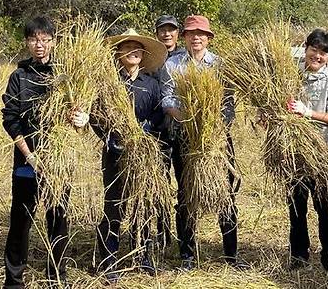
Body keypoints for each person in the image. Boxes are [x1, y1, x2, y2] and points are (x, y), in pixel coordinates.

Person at [1, 16, 88, 289]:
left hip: (59, 161)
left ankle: (56, 277)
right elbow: (10, 119)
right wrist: (30, 155)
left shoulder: (67, 74)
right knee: (21, 219)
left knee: (58, 219)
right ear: (26, 43)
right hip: (27, 160)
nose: (39, 45)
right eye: (33, 39)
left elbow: (78, 113)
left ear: (53, 41)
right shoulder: (19, 76)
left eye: (44, 39)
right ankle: (14, 281)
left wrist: (82, 120)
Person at [159, 15, 248, 271]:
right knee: (186, 195)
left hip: (217, 139)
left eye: (201, 33)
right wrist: (189, 120)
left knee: (225, 195)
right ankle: (187, 255)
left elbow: (228, 104)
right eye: (191, 33)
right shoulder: (172, 65)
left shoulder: (220, 65)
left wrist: (213, 126)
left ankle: (231, 255)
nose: (196, 37)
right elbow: (168, 100)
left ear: (208, 38)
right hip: (185, 137)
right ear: (184, 37)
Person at [91, 29, 167, 283]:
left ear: (143, 54)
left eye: (137, 48)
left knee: (144, 203)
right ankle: (108, 259)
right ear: (119, 53)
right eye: (128, 47)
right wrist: (109, 136)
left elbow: (160, 114)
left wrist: (149, 129)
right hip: (115, 153)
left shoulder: (151, 84)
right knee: (114, 204)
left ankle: (144, 257)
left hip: (145, 153)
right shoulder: (109, 84)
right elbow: (96, 115)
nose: (133, 52)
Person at [285, 29, 328, 271]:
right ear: (305, 47)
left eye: (323, 53)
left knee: (325, 208)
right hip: (294, 153)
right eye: (314, 49)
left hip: (323, 154)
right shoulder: (290, 76)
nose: (317, 56)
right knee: (296, 207)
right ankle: (298, 256)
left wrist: (307, 112)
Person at [153, 15, 186, 248]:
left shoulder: (184, 59)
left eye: (171, 30)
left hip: (183, 132)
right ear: (156, 33)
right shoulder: (151, 58)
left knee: (184, 185)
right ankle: (163, 236)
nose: (167, 34)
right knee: (159, 186)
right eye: (162, 30)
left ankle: (184, 237)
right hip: (156, 132)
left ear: (177, 33)